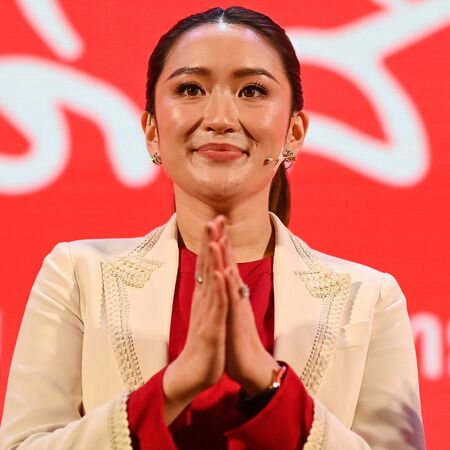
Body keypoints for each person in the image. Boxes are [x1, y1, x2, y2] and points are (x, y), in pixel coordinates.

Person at [0, 6, 425, 450]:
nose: (220, 118)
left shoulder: (368, 297)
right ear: (151, 130)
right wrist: (171, 388)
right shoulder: (79, 275)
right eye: (190, 89)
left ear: (294, 131)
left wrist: (269, 383)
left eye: (252, 91)